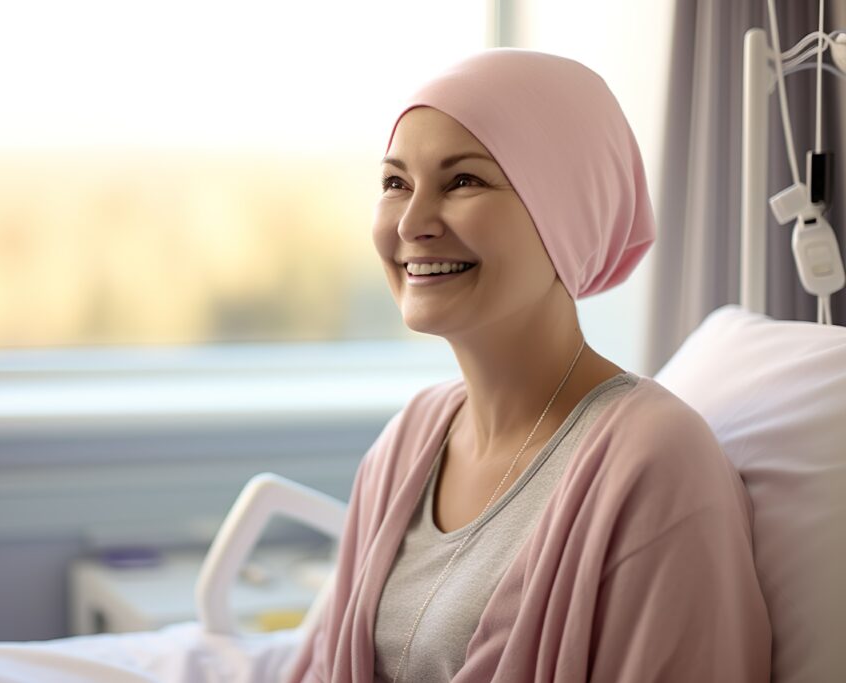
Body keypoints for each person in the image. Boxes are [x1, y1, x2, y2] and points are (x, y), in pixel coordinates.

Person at [285, 48, 771, 682]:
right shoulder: (410, 438)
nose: (412, 222)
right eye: (395, 182)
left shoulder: (656, 460)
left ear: (566, 211)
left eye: (464, 181)